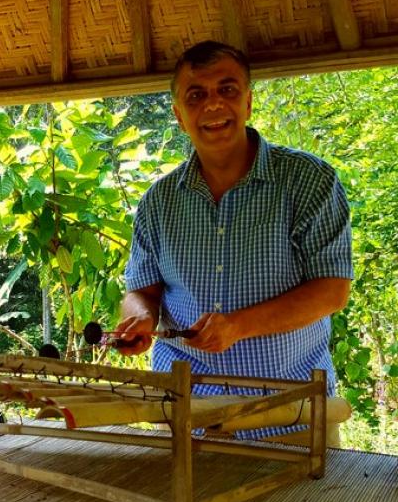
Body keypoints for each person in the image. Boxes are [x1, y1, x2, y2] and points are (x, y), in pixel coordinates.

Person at [115, 40, 353, 418]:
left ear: (248, 102)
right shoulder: (158, 202)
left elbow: (332, 291)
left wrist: (238, 326)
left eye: (227, 90)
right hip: (184, 412)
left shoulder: (309, 181)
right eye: (196, 95)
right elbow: (142, 290)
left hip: (292, 412)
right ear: (179, 116)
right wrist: (140, 317)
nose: (213, 104)